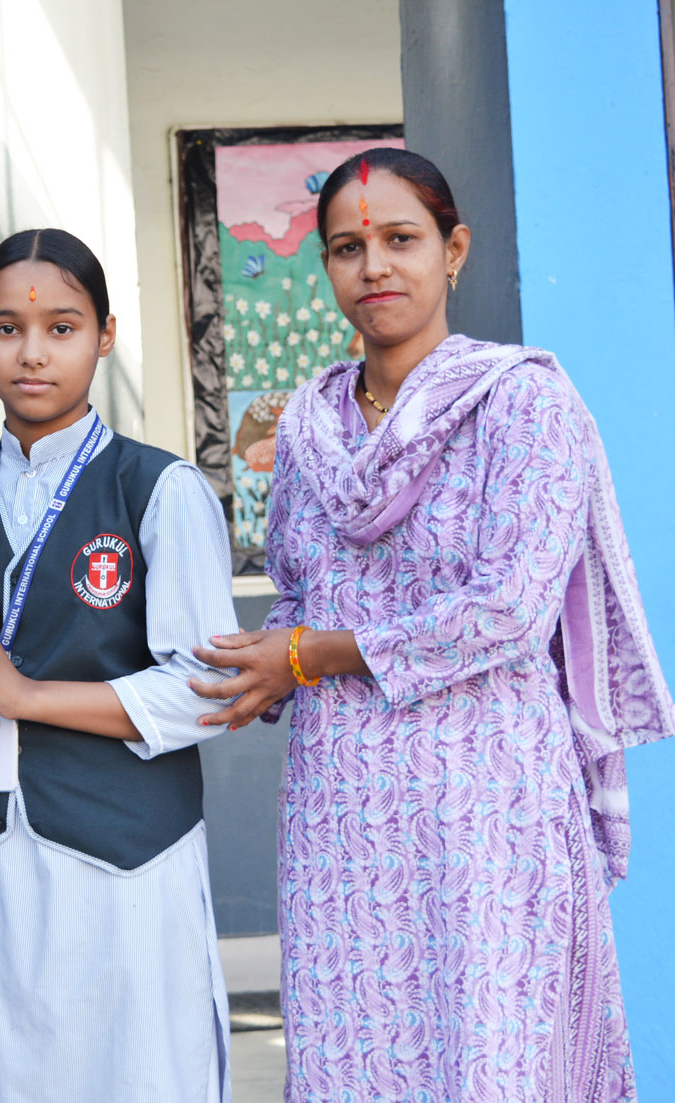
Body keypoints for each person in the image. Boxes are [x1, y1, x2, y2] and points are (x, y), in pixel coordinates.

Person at [193, 147, 674, 1101]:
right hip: (342, 811)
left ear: (453, 252)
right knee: (356, 1059)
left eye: (400, 240)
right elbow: (297, 587)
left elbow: (508, 609)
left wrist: (308, 654)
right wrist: (257, 665)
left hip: (485, 802)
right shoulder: (309, 427)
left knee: (494, 1058)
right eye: (347, 247)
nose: (373, 266)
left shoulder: (524, 401)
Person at [0, 228, 237, 1103]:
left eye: (62, 327)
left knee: (132, 1075)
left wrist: (26, 692)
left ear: (105, 335)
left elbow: (208, 690)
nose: (33, 352)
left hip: (124, 853)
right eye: (7, 328)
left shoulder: (157, 488)